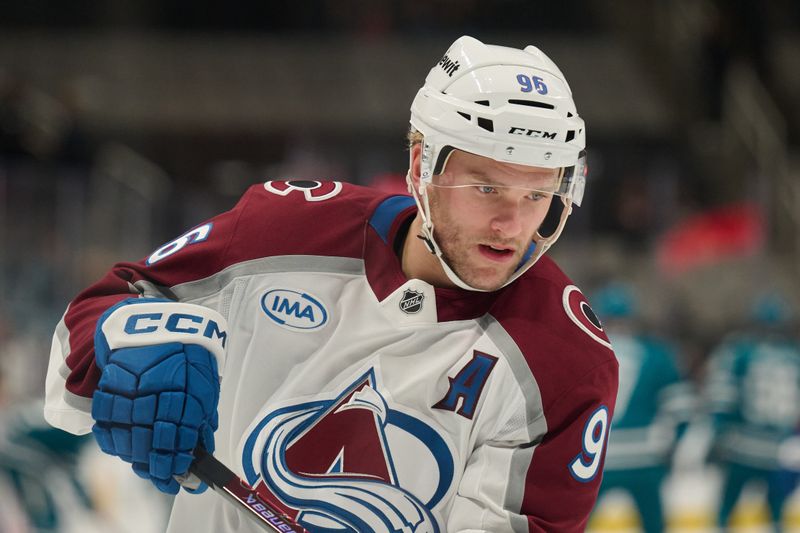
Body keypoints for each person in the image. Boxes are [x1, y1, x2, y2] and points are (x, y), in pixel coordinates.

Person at [43, 36, 618, 532]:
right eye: (487, 188)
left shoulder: (563, 364)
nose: (512, 225)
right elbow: (90, 330)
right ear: (421, 164)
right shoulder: (281, 229)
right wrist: (127, 341)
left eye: (536, 196)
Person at [589, 282, 694, 533]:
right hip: (644, 457)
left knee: (573, 524)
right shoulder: (657, 354)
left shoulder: (585, 349)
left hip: (596, 459)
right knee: (654, 526)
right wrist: (671, 448)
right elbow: (683, 411)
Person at [704, 291, 800, 530]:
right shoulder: (794, 356)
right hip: (779, 448)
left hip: (743, 444)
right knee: (777, 511)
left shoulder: (741, 352)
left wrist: (717, 432)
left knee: (727, 508)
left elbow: (723, 396)